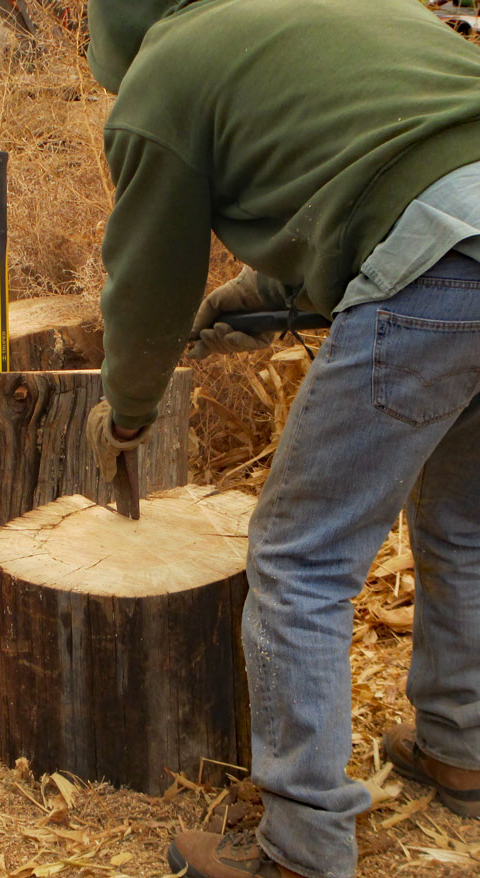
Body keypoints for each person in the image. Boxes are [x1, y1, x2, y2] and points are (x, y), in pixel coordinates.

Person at [84, 1, 480, 877]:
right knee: (465, 529)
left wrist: (129, 408)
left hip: (442, 261)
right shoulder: (321, 7)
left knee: (302, 560)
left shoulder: (166, 70)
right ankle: (463, 747)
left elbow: (148, 279)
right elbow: (381, 165)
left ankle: (302, 848)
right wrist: (265, 293)